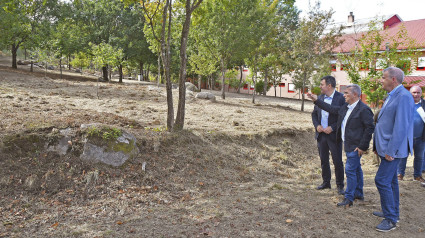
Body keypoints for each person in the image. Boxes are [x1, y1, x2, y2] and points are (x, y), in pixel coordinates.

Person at [308, 84, 374, 207]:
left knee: (350, 170)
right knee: (356, 169)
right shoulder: (346, 107)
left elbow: (369, 129)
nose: (344, 95)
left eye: (346, 93)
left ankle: (349, 198)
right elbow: (331, 109)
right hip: (347, 144)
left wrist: (362, 147)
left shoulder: (364, 109)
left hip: (356, 146)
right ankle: (358, 193)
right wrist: (316, 100)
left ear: (355, 94)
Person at [372, 67, 414, 232]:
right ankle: (392, 212)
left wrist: (391, 150)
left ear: (393, 79)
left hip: (393, 149)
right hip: (386, 147)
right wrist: (378, 146)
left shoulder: (403, 96)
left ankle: (390, 220)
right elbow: (385, 122)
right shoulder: (392, 95)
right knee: (390, 181)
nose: (381, 80)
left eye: (383, 77)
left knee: (381, 180)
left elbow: (401, 126)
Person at [311, 76, 345, 195]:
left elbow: (342, 116)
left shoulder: (341, 98)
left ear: (329, 86)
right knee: (323, 160)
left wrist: (333, 127)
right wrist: (317, 126)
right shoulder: (320, 98)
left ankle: (340, 185)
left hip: (334, 136)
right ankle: (326, 182)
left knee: (337, 161)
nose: (320, 86)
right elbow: (314, 114)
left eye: (322, 84)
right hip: (321, 135)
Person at [397, 86, 425, 182]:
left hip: (421, 137)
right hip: (405, 137)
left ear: (421, 94)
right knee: (403, 156)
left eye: (418, 92)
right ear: (410, 93)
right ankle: (400, 174)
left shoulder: (424, 105)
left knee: (420, 157)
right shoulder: (404, 104)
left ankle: (417, 175)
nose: (416, 94)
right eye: (414, 92)